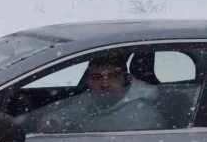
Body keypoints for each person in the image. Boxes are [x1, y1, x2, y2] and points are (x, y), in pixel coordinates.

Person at [26, 53, 166, 134]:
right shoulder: (89, 100)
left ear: (126, 80)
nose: (105, 84)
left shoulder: (144, 117)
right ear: (89, 81)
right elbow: (65, 114)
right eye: (97, 77)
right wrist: (52, 122)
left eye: (113, 76)